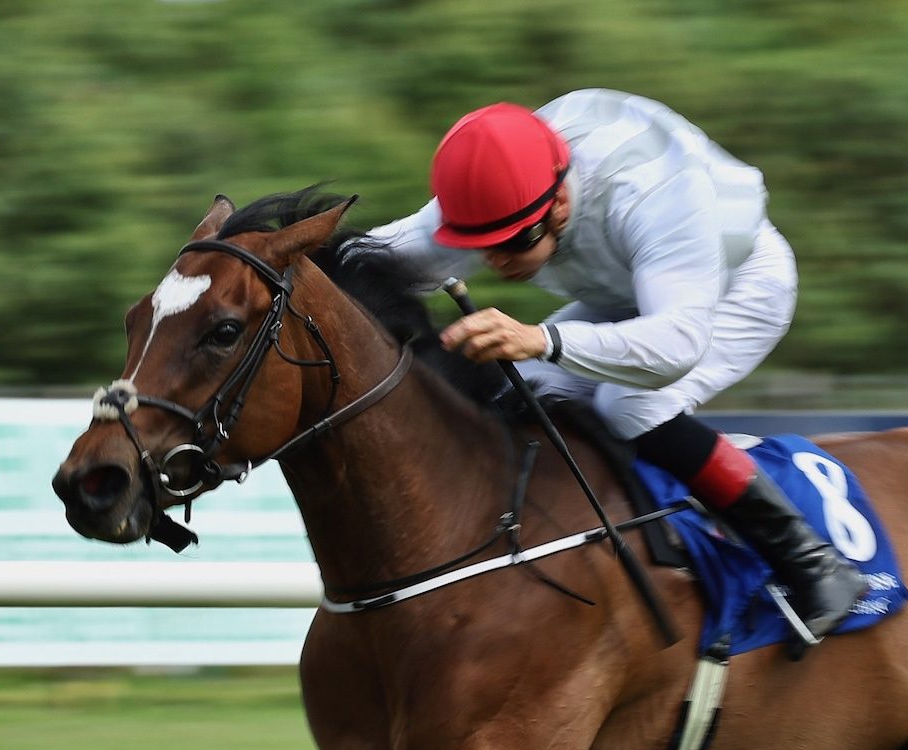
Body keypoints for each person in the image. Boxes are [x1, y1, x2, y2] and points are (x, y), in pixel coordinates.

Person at [360, 88, 867, 641]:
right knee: (511, 389)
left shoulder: (651, 195)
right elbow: (371, 260)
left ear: (557, 204)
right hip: (623, 292)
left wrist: (541, 337)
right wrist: (264, 252)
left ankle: (813, 564)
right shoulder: (496, 189)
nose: (498, 261)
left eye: (513, 241)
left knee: (629, 402)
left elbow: (673, 347)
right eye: (480, 246)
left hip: (733, 286)